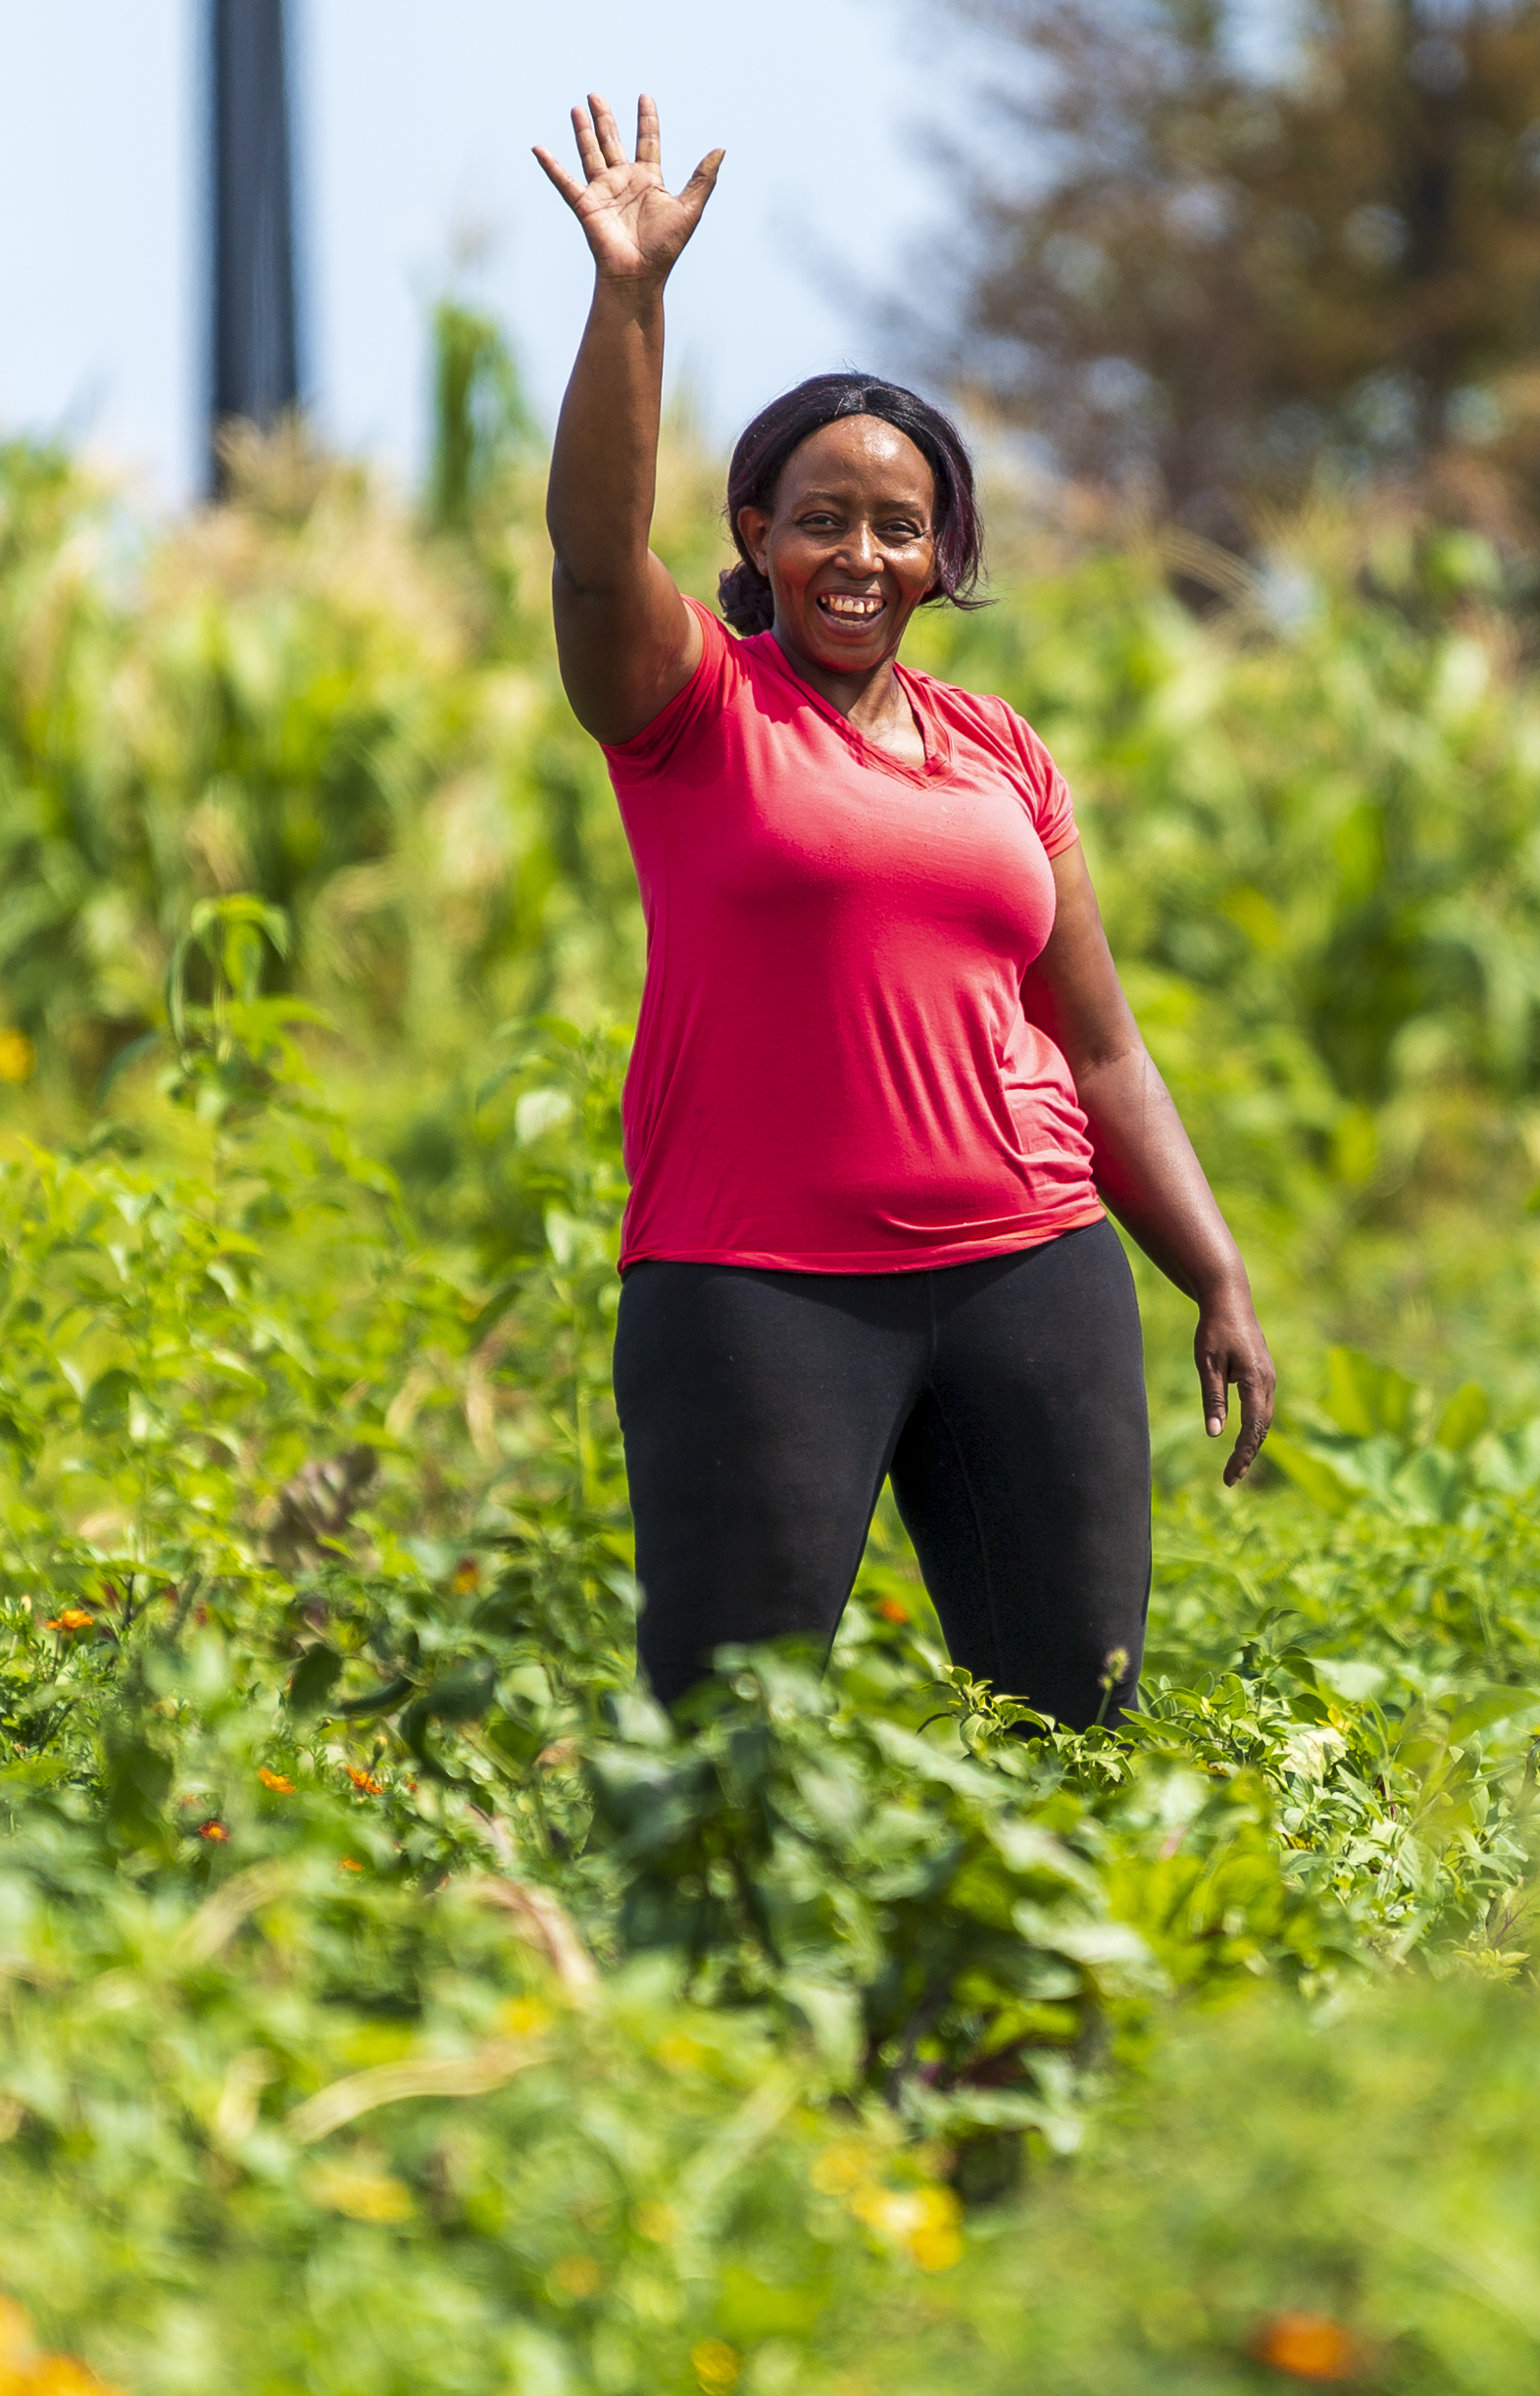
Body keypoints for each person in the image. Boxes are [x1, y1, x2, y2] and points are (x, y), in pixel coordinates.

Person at [532, 92, 1276, 1732]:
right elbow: (592, 555)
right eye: (821, 519)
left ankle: (1007, 2001)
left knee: (1071, 1725)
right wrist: (632, 298)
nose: (859, 554)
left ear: (942, 554)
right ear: (757, 538)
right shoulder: (691, 706)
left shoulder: (1000, 749)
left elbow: (1101, 1049)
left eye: (898, 524)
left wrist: (1211, 1272)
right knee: (732, 1747)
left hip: (1034, 1273)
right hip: (756, 1292)